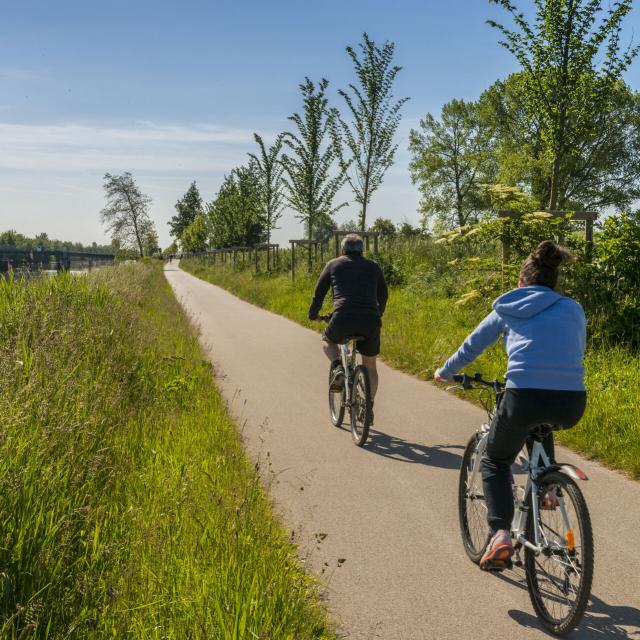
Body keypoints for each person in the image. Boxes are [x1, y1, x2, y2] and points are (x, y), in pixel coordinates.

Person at [435, 240, 587, 570]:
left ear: (521, 282)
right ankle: (548, 486)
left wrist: (444, 372)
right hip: (572, 400)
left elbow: (470, 346)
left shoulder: (507, 307)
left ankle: (499, 534)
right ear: (553, 281)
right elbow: (576, 348)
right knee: (542, 423)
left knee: (495, 460)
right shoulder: (573, 308)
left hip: (523, 397)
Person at [308, 234, 388, 423]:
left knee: (327, 339)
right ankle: (368, 406)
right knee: (370, 365)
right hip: (370, 320)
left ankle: (337, 367)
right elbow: (384, 295)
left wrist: (314, 315)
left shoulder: (333, 264)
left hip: (343, 317)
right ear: (362, 251)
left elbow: (318, 294)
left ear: (342, 250)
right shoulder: (374, 266)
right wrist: (379, 313)